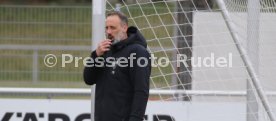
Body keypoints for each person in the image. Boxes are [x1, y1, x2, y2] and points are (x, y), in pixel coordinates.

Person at [83, 11, 151, 121]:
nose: (108, 32)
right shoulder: (105, 51)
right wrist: (95, 55)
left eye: (113, 28)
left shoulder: (137, 52)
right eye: (107, 28)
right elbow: (88, 79)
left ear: (124, 28)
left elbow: (141, 91)